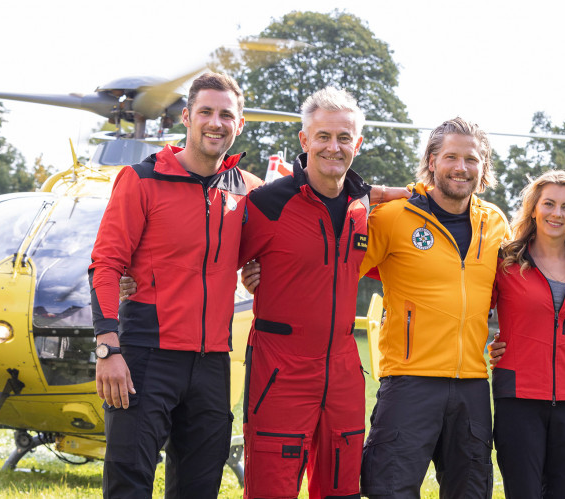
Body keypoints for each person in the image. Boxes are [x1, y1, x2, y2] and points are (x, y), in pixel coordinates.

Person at [88, 72, 262, 498]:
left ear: (239, 125)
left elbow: (285, 245)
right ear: (187, 117)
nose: (215, 122)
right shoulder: (141, 180)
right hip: (145, 357)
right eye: (206, 111)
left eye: (226, 114)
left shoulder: (250, 193)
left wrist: (259, 272)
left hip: (211, 365)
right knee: (129, 484)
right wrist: (108, 347)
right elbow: (105, 265)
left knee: (200, 488)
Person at [358, 118, 509, 499]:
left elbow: (516, 293)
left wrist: (513, 338)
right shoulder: (393, 217)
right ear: (431, 160)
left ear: (483, 166)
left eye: (471, 159)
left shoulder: (495, 223)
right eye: (451, 157)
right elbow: (338, 267)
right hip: (409, 382)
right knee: (388, 490)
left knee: (471, 493)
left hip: (473, 386)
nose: (461, 167)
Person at [236, 87, 371, 499]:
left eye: (344, 138)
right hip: (280, 371)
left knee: (341, 489)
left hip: (345, 370)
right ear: (305, 140)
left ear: (357, 144)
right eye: (324, 136)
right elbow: (212, 257)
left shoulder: (363, 207)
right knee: (271, 490)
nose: (334, 147)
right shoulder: (266, 204)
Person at [488, 169, 565, 498]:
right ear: (534, 209)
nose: (556, 213)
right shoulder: (507, 261)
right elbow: (475, 312)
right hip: (518, 398)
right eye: (549, 204)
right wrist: (490, 346)